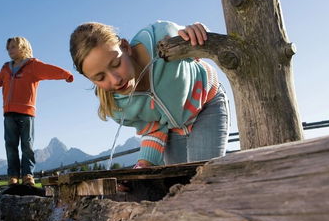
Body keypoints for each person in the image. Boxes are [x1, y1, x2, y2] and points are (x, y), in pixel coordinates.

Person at [69, 21, 229, 168]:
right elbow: (154, 129)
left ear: (125, 47)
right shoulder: (117, 107)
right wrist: (143, 164)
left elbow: (206, 46)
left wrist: (198, 31)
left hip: (207, 106)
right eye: (100, 78)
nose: (115, 80)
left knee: (205, 176)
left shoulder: (160, 36)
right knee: (181, 184)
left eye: (116, 64)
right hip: (172, 128)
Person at [0, 37, 74, 185]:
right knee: (11, 146)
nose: (10, 51)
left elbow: (49, 70)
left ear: (23, 47)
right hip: (8, 113)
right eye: (8, 48)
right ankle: (13, 176)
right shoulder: (6, 69)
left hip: (26, 113)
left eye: (13, 47)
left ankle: (27, 175)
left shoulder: (33, 65)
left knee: (27, 145)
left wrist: (65, 74)